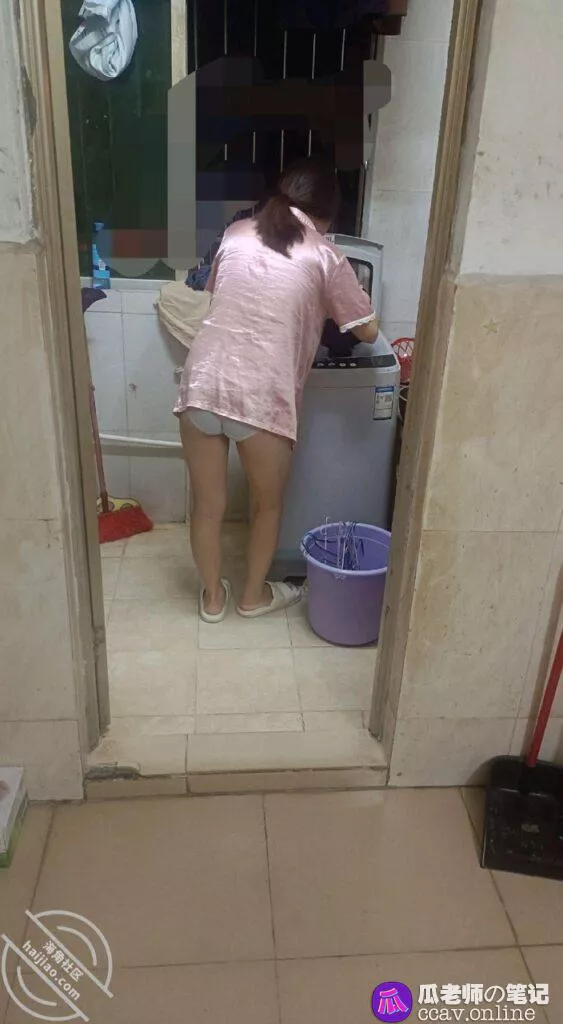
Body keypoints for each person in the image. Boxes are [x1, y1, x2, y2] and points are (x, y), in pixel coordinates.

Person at [174, 157, 380, 622]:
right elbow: (367, 331)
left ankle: (212, 599)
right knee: (267, 507)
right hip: (263, 396)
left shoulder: (236, 233)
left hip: (203, 382)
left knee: (207, 506)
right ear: (327, 212)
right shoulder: (326, 254)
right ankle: (252, 598)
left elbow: (225, 295)